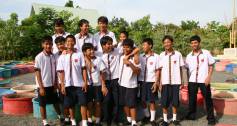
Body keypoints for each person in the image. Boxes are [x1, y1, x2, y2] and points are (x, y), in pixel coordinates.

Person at [57, 35, 88, 126]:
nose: (70, 43)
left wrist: (85, 82)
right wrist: (62, 84)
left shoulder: (79, 54)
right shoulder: (62, 57)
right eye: (68, 41)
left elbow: (83, 69)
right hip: (68, 84)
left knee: (83, 103)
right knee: (70, 104)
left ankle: (84, 122)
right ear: (65, 43)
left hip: (79, 83)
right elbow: (61, 72)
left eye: (71, 41)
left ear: (74, 42)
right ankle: (73, 121)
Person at [185, 35, 216, 125]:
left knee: (207, 99)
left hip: (204, 80)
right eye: (192, 43)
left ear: (199, 43)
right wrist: (187, 81)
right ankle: (192, 115)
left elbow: (211, 65)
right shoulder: (188, 56)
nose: (194, 44)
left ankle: (211, 118)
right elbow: (187, 69)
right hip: (192, 80)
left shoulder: (206, 53)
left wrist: (209, 77)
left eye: (195, 42)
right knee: (192, 99)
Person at [34, 36, 62, 126]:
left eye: (50, 44)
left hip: (52, 85)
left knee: (55, 101)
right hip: (43, 85)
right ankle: (45, 122)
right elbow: (37, 73)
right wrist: (41, 87)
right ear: (42, 45)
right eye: (46, 44)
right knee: (43, 104)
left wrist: (55, 83)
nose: (48, 46)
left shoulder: (53, 56)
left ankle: (60, 116)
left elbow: (55, 71)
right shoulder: (39, 57)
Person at [159, 35, 184, 126]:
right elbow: (160, 70)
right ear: (163, 44)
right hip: (165, 82)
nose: (167, 44)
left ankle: (174, 119)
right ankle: (165, 120)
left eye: (168, 42)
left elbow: (181, 68)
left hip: (176, 82)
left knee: (175, 101)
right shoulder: (161, 55)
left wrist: (182, 81)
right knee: (164, 102)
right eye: (165, 42)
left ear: (172, 43)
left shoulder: (178, 54)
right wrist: (160, 83)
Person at [82, 43, 108, 126]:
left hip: (97, 85)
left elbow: (102, 73)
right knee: (88, 103)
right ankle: (89, 120)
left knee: (98, 103)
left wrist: (103, 86)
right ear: (84, 52)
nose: (92, 51)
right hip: (87, 85)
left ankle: (97, 120)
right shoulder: (82, 60)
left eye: (93, 49)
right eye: (89, 50)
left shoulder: (99, 59)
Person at [118, 38, 141, 126]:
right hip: (121, 84)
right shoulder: (121, 57)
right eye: (124, 47)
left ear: (131, 48)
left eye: (127, 47)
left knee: (132, 104)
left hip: (131, 85)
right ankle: (128, 119)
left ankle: (134, 122)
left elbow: (137, 72)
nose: (125, 49)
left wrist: (130, 63)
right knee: (124, 103)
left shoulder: (135, 59)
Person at [139, 38, 160, 126]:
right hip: (141, 82)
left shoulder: (156, 56)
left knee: (151, 101)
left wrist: (156, 82)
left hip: (151, 81)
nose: (143, 46)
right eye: (142, 45)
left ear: (150, 45)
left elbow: (158, 70)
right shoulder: (140, 56)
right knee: (142, 100)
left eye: (144, 45)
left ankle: (152, 119)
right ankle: (147, 115)